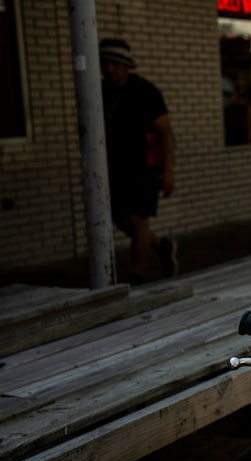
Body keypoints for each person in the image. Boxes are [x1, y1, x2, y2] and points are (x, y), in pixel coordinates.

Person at [99, 38, 177, 284]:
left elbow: (165, 132)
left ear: (125, 66)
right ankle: (159, 245)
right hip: (114, 167)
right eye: (104, 63)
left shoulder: (145, 91)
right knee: (119, 218)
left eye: (114, 63)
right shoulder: (100, 91)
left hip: (144, 167)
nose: (109, 68)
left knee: (138, 219)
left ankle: (137, 276)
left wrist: (168, 171)